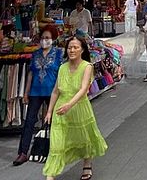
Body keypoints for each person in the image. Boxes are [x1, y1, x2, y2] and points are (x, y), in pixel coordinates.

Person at [43, 37, 107, 180]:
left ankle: (87, 164)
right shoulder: (62, 67)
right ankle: (50, 175)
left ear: (82, 50)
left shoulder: (87, 67)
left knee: (84, 139)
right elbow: (55, 91)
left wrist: (69, 105)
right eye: (69, 47)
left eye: (75, 47)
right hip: (61, 110)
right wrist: (49, 112)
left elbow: (84, 89)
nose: (71, 50)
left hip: (79, 108)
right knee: (56, 144)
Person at [13, 25, 63, 166]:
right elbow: (31, 73)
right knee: (29, 121)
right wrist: (26, 92)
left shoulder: (58, 54)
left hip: (52, 92)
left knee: (53, 121)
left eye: (47, 38)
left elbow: (61, 73)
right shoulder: (35, 54)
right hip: (36, 92)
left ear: (52, 39)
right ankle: (23, 152)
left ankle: (54, 150)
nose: (44, 41)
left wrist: (60, 91)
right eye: (42, 38)